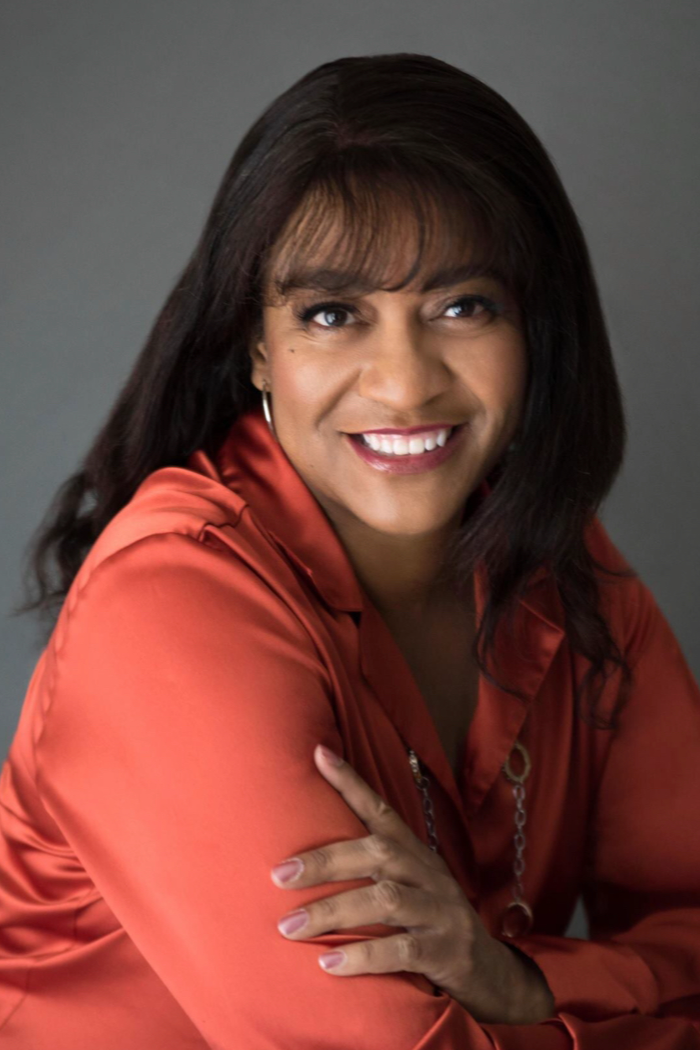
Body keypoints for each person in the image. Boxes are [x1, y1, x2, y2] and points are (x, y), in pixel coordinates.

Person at [1, 51, 698, 1049]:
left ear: (534, 330)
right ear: (256, 346)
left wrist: (515, 980)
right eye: (333, 315)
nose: (405, 385)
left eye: (462, 306)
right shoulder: (170, 600)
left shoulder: (560, 557)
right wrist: (585, 1005)